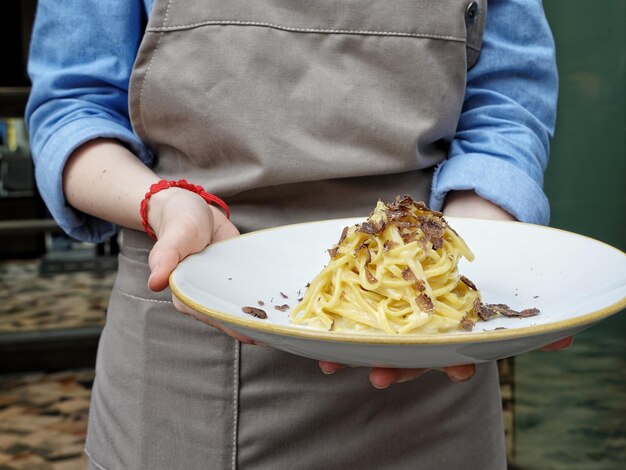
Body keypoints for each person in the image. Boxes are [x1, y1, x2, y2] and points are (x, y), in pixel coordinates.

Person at [26, 0, 571, 468]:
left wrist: (460, 252)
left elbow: (507, 103)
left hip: (435, 366)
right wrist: (163, 203)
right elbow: (72, 105)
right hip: (192, 344)